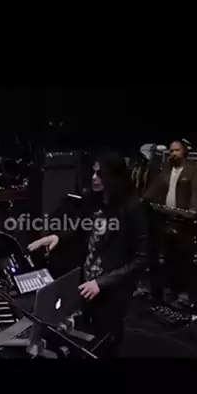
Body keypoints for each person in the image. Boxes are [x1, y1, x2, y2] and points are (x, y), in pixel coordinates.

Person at [28, 151, 146, 355]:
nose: (93, 177)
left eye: (100, 174)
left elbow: (141, 259)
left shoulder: (134, 208)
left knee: (107, 344)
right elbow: (80, 230)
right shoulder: (94, 201)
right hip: (87, 284)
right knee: (87, 341)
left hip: (112, 291)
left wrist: (102, 283)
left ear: (114, 176)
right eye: (93, 172)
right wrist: (57, 237)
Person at [144, 140, 197, 305]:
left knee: (184, 259)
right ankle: (167, 292)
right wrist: (143, 201)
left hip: (184, 222)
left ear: (184, 152)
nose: (173, 154)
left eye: (177, 151)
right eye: (171, 151)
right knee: (167, 257)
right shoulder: (166, 169)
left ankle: (183, 293)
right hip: (166, 219)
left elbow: (196, 195)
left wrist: (191, 212)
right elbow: (153, 189)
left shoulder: (194, 170)